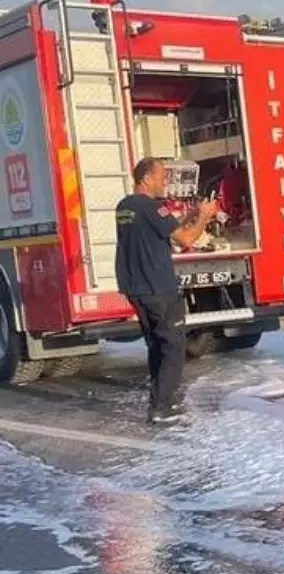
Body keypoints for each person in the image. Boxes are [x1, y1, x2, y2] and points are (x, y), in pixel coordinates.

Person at [115, 157, 220, 424]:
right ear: (146, 178)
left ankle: (157, 400)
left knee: (157, 344)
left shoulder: (126, 206)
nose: (166, 182)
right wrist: (205, 218)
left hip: (136, 287)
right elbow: (185, 239)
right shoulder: (153, 207)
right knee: (173, 346)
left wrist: (193, 214)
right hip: (157, 286)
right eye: (162, 176)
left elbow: (166, 227)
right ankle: (163, 407)